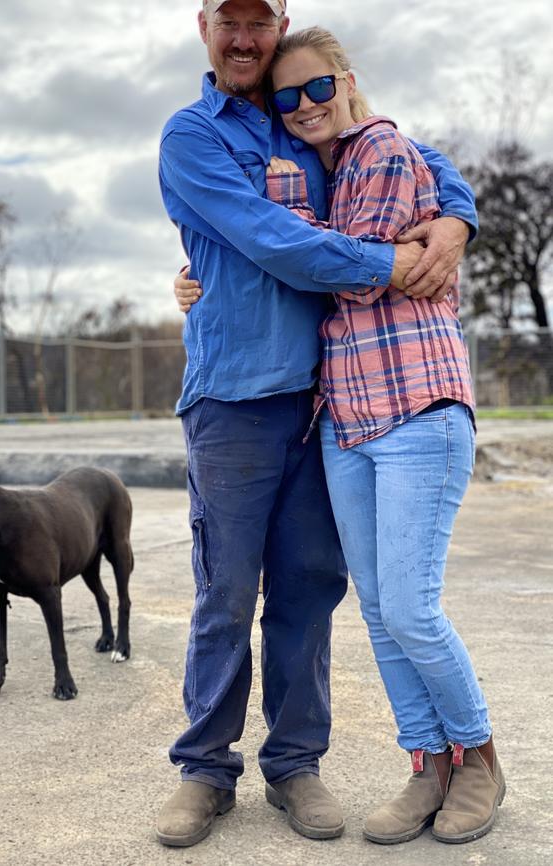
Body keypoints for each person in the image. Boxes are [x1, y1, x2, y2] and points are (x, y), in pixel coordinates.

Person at [157, 0, 478, 848]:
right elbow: (268, 237)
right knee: (225, 591)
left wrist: (455, 219)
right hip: (232, 397)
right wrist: (393, 261)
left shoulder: (309, 116)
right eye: (228, 22)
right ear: (204, 27)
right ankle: (205, 771)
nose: (243, 38)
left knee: (309, 591)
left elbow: (425, 159)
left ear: (281, 25)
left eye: (259, 22)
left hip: (327, 401)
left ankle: (296, 764)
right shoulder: (194, 137)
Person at [257, 26, 504, 845]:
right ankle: (425, 764)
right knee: (378, 610)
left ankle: (479, 758)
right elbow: (344, 261)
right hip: (347, 420)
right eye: (284, 97)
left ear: (347, 82)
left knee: (411, 605)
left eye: (316, 88)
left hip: (417, 409)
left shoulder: (385, 149)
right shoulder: (325, 169)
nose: (302, 108)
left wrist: (306, 247)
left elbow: (347, 272)